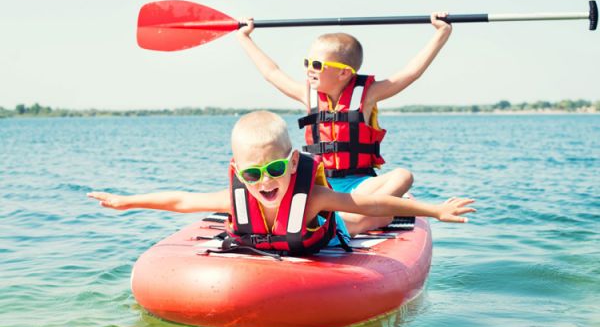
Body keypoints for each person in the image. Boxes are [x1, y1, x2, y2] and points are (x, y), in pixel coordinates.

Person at [88, 111, 474, 257]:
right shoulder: (237, 199)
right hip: (308, 224)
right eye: (253, 174)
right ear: (239, 172)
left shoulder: (314, 198)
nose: (265, 181)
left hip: (341, 221)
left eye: (274, 169)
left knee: (393, 190)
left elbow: (367, 207)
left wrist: (435, 211)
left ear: (293, 164)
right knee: (373, 194)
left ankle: (401, 177)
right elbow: (181, 200)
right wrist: (127, 201)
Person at [236, 13, 453, 234]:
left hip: (360, 186)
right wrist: (245, 38)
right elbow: (271, 73)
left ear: (343, 72)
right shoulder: (308, 95)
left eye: (318, 64)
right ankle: (366, 217)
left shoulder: (367, 95)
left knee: (403, 176)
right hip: (320, 185)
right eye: (307, 62)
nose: (309, 69)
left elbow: (410, 73)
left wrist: (442, 33)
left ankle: (361, 216)